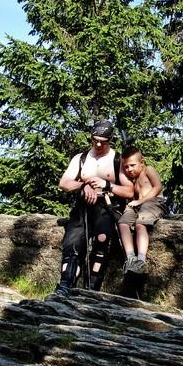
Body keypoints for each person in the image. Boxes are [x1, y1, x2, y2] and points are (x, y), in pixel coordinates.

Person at [54, 119, 134, 296]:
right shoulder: (81, 158)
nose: (98, 144)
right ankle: (65, 285)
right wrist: (82, 186)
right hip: (82, 206)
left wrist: (107, 185)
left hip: (107, 206)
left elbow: (129, 191)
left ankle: (91, 290)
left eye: (103, 141)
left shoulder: (117, 160)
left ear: (111, 139)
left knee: (102, 240)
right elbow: (64, 182)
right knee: (72, 242)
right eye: (95, 140)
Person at [118, 146, 167, 275]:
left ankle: (141, 260)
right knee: (123, 223)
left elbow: (157, 187)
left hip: (153, 202)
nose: (129, 169)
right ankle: (130, 258)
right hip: (137, 206)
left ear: (142, 162)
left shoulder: (148, 170)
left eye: (132, 165)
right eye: (126, 167)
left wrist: (140, 200)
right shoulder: (133, 181)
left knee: (140, 224)